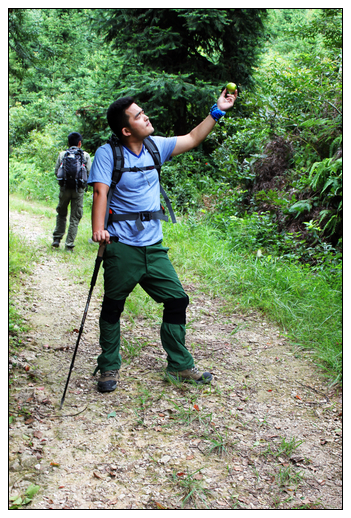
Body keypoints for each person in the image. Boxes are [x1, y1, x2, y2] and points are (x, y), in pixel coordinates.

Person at [88, 87, 237, 392]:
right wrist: (98, 229)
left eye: (143, 112)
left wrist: (217, 110)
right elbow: (100, 191)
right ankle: (108, 367)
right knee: (113, 306)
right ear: (126, 129)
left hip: (154, 246)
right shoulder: (108, 153)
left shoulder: (155, 146)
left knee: (177, 299)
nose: (146, 117)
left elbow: (193, 138)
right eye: (139, 116)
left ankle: (179, 366)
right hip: (121, 245)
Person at [52, 132, 92, 251]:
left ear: (68, 143)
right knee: (75, 217)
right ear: (80, 143)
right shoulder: (85, 155)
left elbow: (56, 171)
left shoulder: (62, 154)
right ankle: (69, 245)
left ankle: (57, 239)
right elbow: (88, 173)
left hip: (64, 189)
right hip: (78, 190)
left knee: (61, 213)